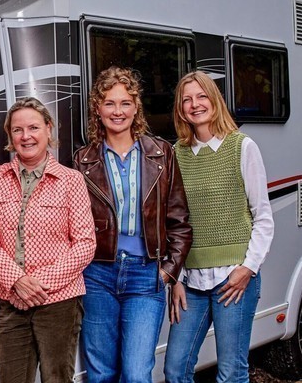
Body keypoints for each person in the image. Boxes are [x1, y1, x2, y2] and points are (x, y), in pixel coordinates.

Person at [73, 66, 192, 382]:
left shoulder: (160, 154)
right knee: (101, 374)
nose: (117, 111)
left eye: (125, 102)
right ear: (97, 109)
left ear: (136, 106)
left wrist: (167, 272)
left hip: (145, 274)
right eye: (109, 103)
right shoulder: (82, 161)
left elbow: (179, 221)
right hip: (97, 275)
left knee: (137, 373)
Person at [0, 97, 96, 383]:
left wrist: (38, 284)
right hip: (11, 299)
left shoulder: (71, 180)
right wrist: (17, 280)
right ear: (10, 135)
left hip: (59, 302)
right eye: (17, 130)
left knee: (57, 378)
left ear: (48, 129)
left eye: (33, 127)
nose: (26, 136)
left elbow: (85, 244)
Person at [164, 71, 274, 383]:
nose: (194, 104)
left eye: (201, 96)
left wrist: (248, 268)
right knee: (175, 369)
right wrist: (176, 279)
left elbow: (263, 216)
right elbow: (175, 224)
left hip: (234, 280)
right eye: (186, 99)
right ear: (180, 108)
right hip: (192, 284)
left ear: (214, 100)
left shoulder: (242, 147)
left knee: (231, 373)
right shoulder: (176, 154)